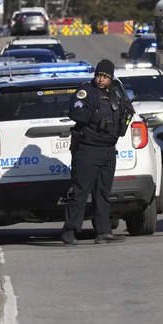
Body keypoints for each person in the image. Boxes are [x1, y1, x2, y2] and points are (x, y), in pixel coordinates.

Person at [61, 59, 135, 245]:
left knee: (103, 192)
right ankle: (70, 231)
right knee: (80, 191)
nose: (101, 80)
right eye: (99, 76)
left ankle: (103, 231)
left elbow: (127, 112)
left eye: (106, 77)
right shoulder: (86, 92)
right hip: (87, 149)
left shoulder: (115, 93)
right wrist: (94, 113)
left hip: (108, 150)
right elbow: (76, 114)